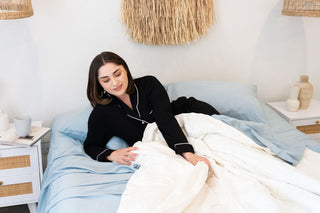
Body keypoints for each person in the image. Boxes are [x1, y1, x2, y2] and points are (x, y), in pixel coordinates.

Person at [84, 51, 220, 167]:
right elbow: (91, 146)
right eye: (106, 80)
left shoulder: (149, 84)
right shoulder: (102, 113)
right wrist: (112, 155)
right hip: (158, 144)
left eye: (117, 74)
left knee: (222, 131)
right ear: (99, 84)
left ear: (125, 69)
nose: (115, 83)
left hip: (185, 114)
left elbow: (165, 119)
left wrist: (188, 154)